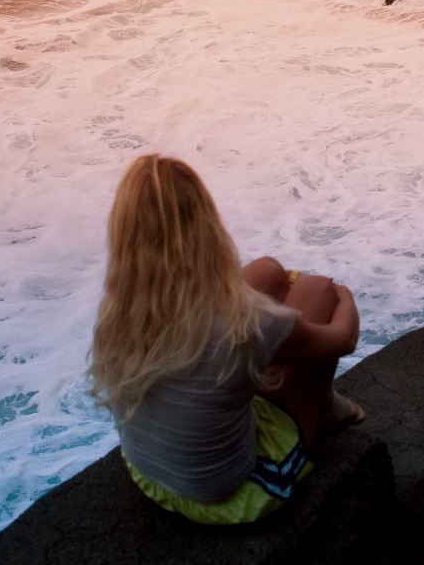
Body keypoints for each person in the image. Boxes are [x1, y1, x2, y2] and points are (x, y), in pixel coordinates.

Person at [87, 153, 364, 525]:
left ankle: (290, 385)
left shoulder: (121, 311)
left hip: (148, 475)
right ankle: (320, 411)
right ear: (204, 223)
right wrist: (344, 292)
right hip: (230, 492)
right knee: (319, 292)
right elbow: (342, 340)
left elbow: (252, 289)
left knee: (267, 270)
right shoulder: (244, 321)